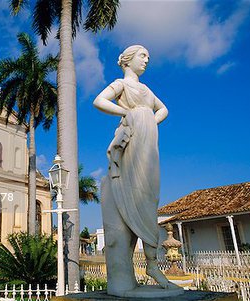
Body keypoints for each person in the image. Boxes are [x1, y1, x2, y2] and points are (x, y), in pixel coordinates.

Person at [93, 45, 172, 297]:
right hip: (131, 145)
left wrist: (148, 120)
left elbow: (164, 110)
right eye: (143, 55)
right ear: (128, 60)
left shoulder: (147, 90)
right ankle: (148, 265)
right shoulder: (122, 84)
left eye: (149, 56)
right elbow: (99, 100)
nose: (147, 60)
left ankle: (151, 264)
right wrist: (130, 113)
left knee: (150, 197)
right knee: (133, 193)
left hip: (149, 145)